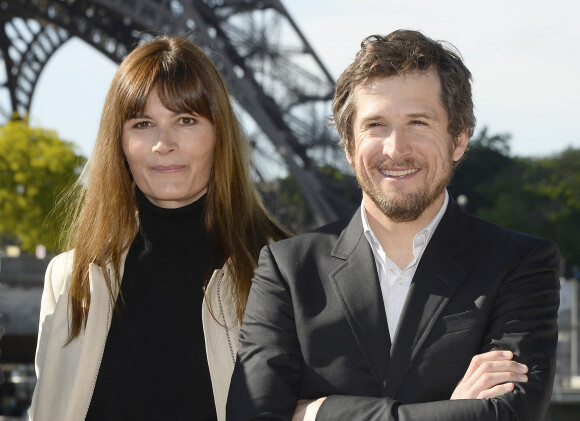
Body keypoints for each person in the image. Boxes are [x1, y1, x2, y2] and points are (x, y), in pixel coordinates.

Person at [226, 29, 561, 420]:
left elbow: (510, 414)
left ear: (458, 141)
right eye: (376, 125)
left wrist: (318, 414)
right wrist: (452, 411)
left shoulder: (522, 263)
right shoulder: (287, 269)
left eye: (418, 123)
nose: (395, 149)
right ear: (349, 147)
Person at [29, 35, 288, 421]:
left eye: (185, 120)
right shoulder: (68, 280)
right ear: (119, 142)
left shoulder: (285, 274)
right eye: (143, 123)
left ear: (220, 135)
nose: (163, 143)